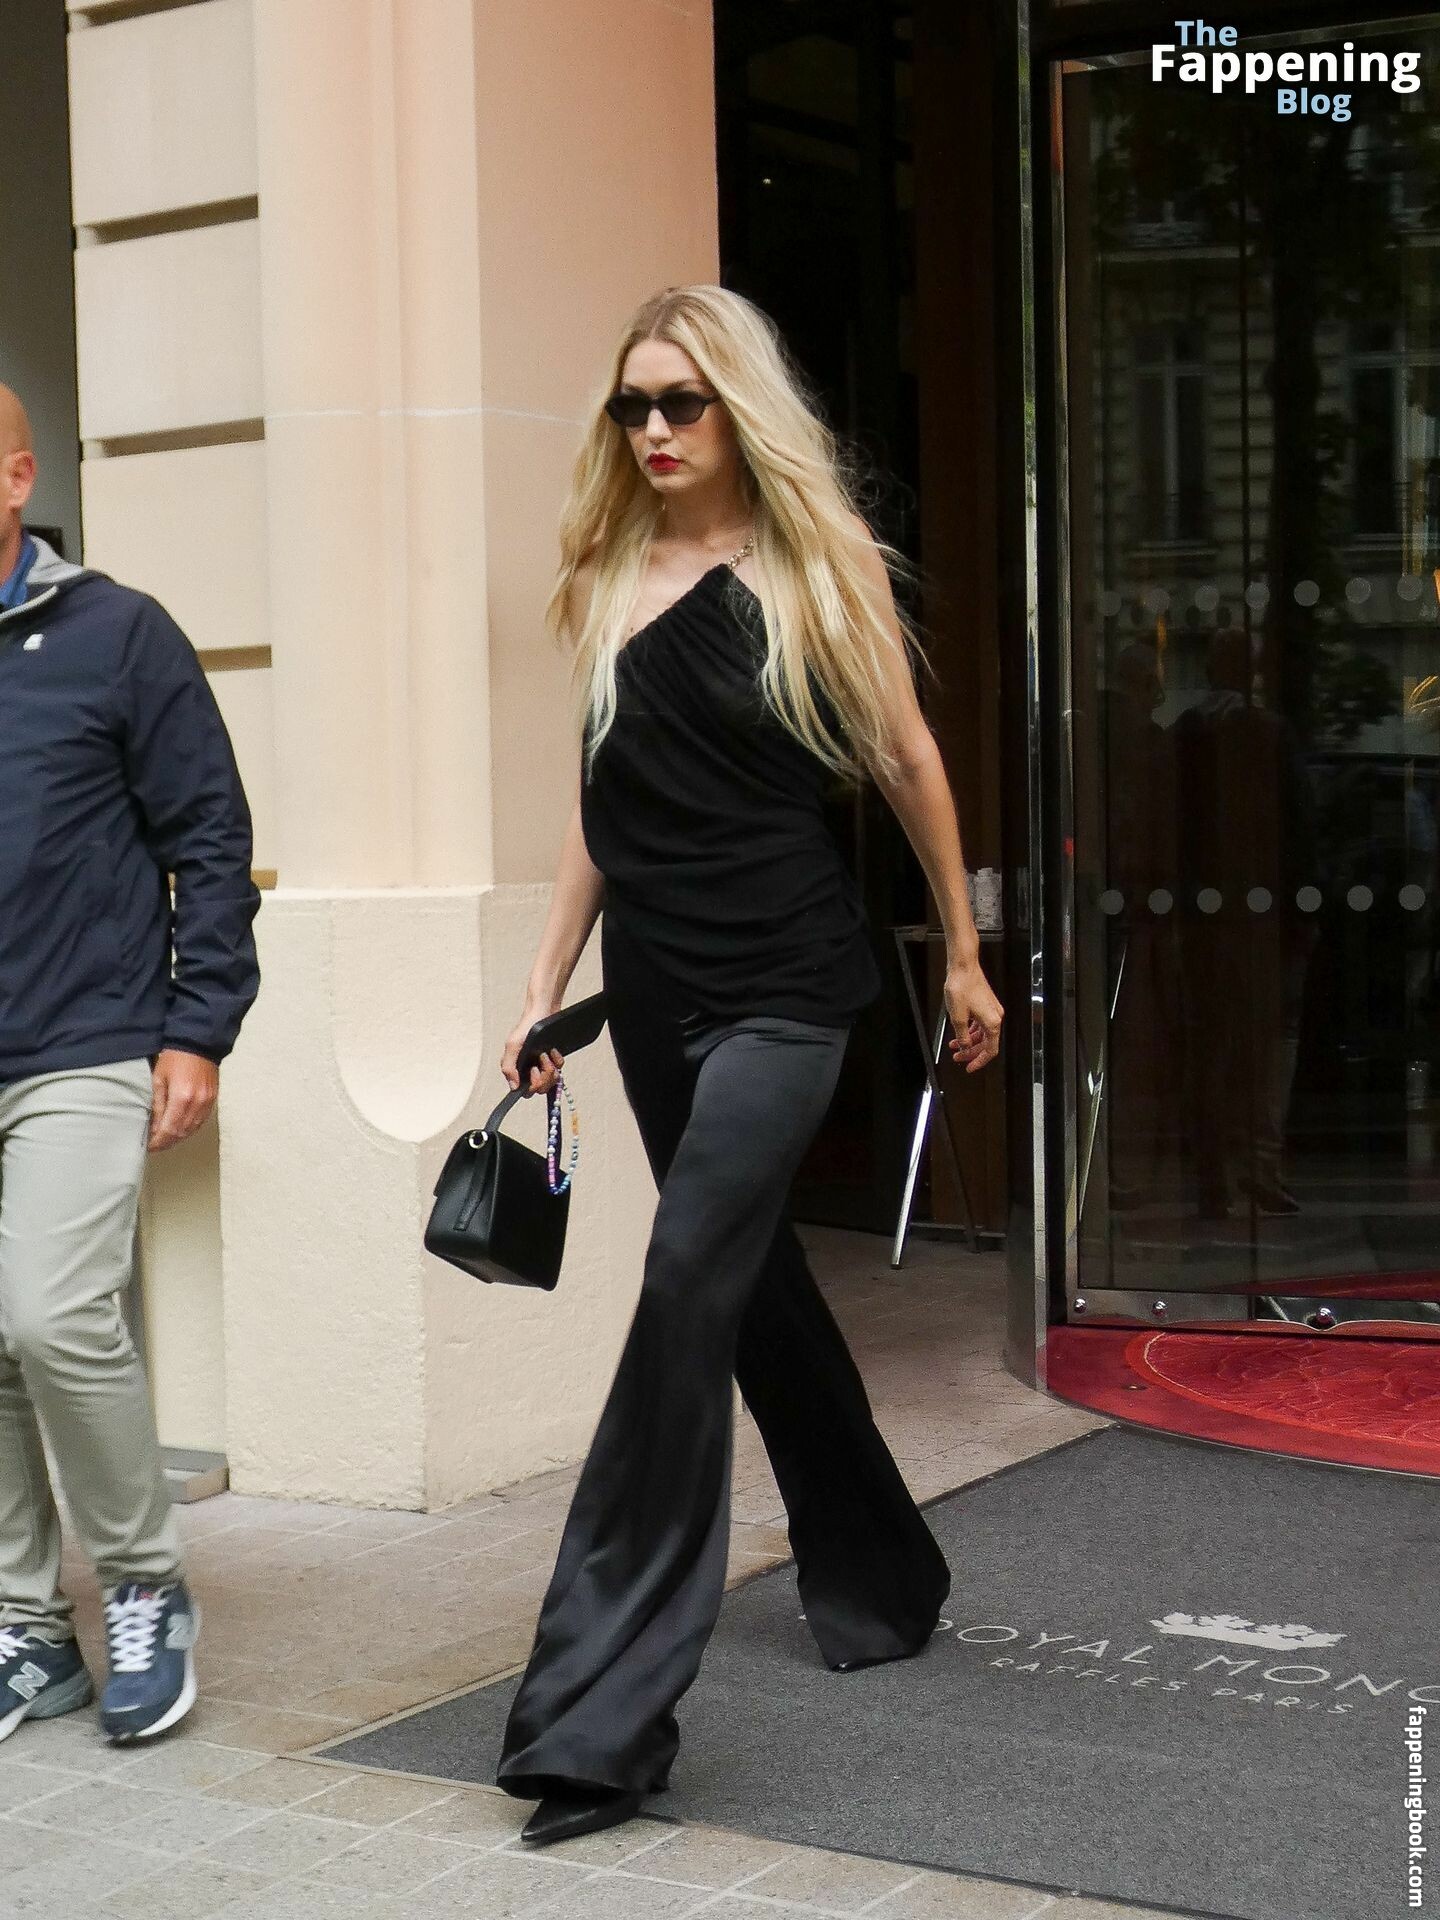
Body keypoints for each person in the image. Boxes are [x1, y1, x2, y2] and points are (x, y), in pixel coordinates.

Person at [491, 286, 1004, 1846]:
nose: (653, 430)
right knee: (753, 1287)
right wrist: (544, 982)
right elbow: (602, 805)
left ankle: (596, 1715)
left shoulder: (811, 567)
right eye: (631, 407)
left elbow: (906, 755)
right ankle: (881, 1570)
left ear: (738, 412)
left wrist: (963, 951)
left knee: (684, 1288)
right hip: (656, 994)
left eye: (682, 404)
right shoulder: (604, 575)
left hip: (786, 985)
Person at [0, 387, 261, 1744]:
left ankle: (147, 1584)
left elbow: (208, 836)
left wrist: (197, 1024)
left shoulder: (116, 633)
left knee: (54, 1316)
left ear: (16, 478)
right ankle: (28, 1628)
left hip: (84, 1036)